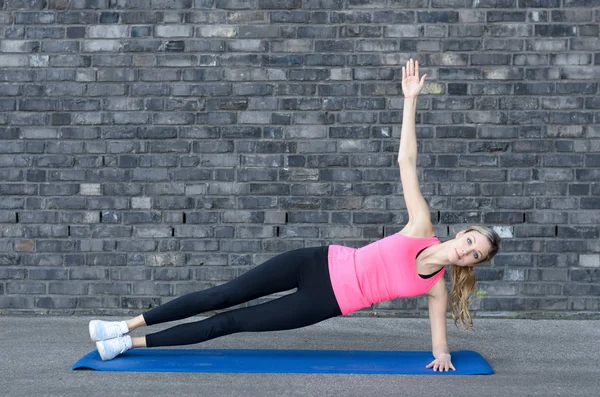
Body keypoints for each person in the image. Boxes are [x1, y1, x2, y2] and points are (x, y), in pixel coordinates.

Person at [88, 59, 500, 372]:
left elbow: (439, 343)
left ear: (474, 263)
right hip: (317, 261)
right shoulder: (421, 227)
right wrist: (410, 101)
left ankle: (129, 347)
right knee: (222, 295)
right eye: (470, 242)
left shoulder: (437, 288)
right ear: (462, 232)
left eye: (475, 255)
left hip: (325, 301)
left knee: (229, 323)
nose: (467, 253)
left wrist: (443, 355)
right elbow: (405, 162)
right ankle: (122, 326)